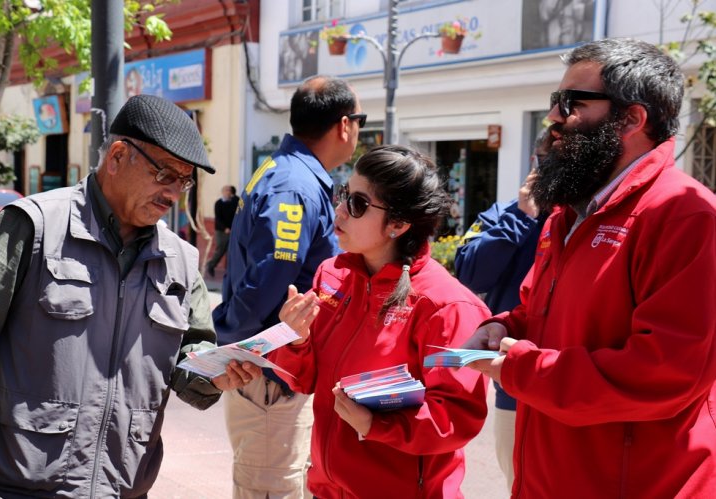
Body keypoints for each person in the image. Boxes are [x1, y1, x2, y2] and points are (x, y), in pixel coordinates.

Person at [0, 94, 259, 499]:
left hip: (121, 489)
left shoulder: (180, 260)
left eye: (185, 180)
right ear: (118, 156)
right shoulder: (33, 227)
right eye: (165, 174)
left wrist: (218, 375)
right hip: (18, 487)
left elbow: (189, 365)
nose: (175, 192)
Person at [465, 38, 716, 497]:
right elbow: (537, 313)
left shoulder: (689, 216)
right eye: (554, 102)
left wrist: (522, 368)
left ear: (633, 119)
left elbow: (665, 373)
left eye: (571, 103)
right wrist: (502, 326)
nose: (554, 117)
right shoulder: (568, 211)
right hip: (550, 476)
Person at [271, 145, 491, 498]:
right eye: (343, 194)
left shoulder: (448, 307)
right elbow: (304, 380)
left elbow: (456, 416)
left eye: (357, 204)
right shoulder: (333, 275)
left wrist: (377, 425)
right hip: (327, 489)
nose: (339, 210)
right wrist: (295, 340)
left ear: (399, 224)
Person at [212, 75, 363, 498]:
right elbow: (267, 282)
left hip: (274, 369)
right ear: (345, 125)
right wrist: (241, 347)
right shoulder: (296, 184)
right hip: (273, 373)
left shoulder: (287, 172)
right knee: (272, 488)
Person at [453, 131, 549, 491]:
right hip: (513, 381)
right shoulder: (506, 213)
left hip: (567, 379)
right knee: (518, 482)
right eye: (542, 159)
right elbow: (470, 272)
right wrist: (522, 217)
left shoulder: (584, 221)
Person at [206, 184, 239, 277]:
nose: (228, 192)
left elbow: (239, 204)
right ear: (223, 192)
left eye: (230, 190)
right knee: (220, 250)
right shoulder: (219, 203)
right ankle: (211, 265)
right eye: (226, 190)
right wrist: (225, 228)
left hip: (232, 231)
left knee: (231, 251)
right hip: (221, 231)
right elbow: (218, 218)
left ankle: (230, 271)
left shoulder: (235, 201)